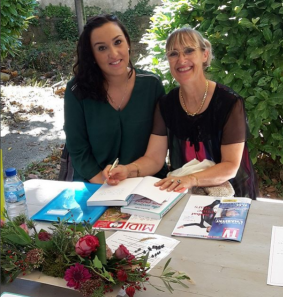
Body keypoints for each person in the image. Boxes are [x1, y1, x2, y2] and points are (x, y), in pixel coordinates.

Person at [103, 27, 259, 199]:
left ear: (204, 55)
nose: (181, 59)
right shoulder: (166, 104)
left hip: (232, 195)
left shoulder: (229, 102)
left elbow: (230, 166)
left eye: (189, 51)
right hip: (185, 194)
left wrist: (190, 179)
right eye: (173, 54)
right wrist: (128, 170)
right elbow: (154, 159)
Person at [64, 14, 166, 183]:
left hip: (144, 181)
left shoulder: (152, 85)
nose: (113, 53)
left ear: (128, 43)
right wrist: (104, 185)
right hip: (94, 183)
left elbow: (156, 155)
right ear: (92, 56)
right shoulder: (77, 91)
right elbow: (78, 151)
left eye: (118, 42)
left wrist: (128, 174)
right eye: (102, 48)